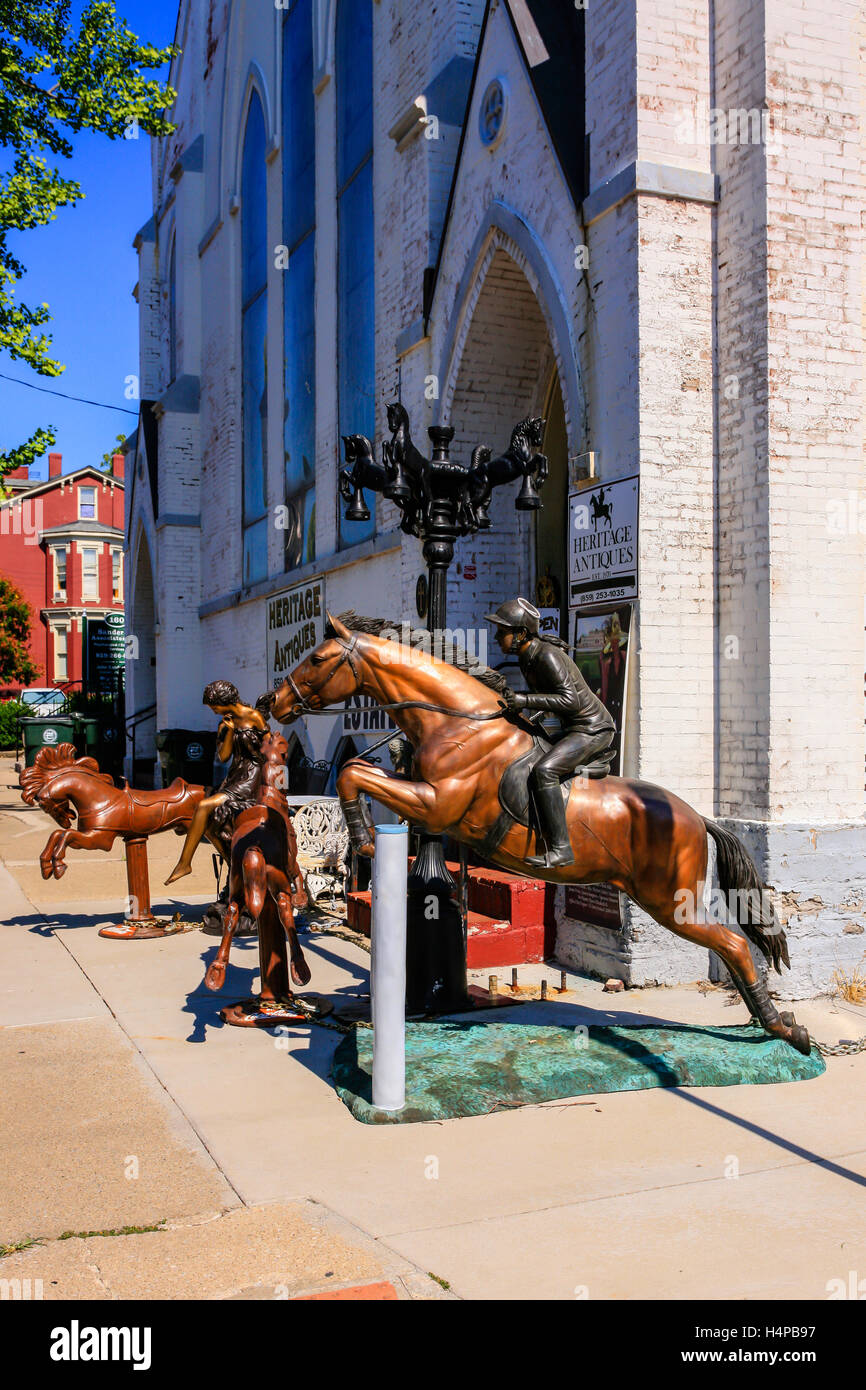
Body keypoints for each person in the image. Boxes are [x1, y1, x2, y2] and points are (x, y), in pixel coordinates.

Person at [487, 598, 616, 868]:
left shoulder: (546, 655)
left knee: (544, 771)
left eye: (503, 631)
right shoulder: (527, 657)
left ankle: (561, 848)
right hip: (574, 729)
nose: (497, 637)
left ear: (521, 634)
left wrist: (523, 700)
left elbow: (570, 701)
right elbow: (548, 698)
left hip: (591, 729)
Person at [164, 680, 270, 884]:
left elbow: (269, 748)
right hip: (235, 775)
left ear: (225, 701)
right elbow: (223, 756)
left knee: (204, 806)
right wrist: (229, 731)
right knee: (209, 824)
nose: (213, 711)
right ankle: (232, 864)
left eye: (214, 707)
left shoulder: (254, 717)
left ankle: (184, 864)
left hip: (252, 776)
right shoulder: (224, 723)